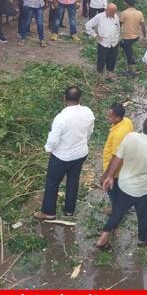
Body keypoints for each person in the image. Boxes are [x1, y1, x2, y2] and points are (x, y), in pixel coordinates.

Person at [97, 114, 147, 249]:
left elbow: (117, 157)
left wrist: (110, 176)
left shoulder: (130, 137)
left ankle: (103, 238)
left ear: (143, 125)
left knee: (118, 212)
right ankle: (143, 239)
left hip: (124, 185)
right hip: (144, 190)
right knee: (144, 216)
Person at [34, 86, 95, 220]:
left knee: (52, 182)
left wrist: (48, 149)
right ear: (80, 99)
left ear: (64, 99)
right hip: (80, 154)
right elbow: (90, 131)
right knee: (73, 180)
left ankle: (49, 212)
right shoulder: (88, 112)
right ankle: (69, 210)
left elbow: (53, 140)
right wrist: (83, 142)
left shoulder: (61, 118)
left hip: (62, 156)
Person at [101, 102, 134, 209]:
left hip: (116, 170)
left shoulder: (119, 134)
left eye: (110, 116)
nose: (108, 118)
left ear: (117, 117)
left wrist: (107, 175)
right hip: (125, 166)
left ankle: (116, 210)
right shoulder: (127, 121)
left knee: (113, 190)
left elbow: (116, 157)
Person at [85, 3, 121, 78]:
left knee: (112, 58)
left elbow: (118, 28)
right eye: (112, 12)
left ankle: (110, 72)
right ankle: (100, 73)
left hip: (114, 42)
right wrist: (95, 35)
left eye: (114, 12)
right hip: (103, 42)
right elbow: (88, 25)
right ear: (107, 10)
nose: (113, 14)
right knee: (102, 58)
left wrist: (117, 37)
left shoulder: (116, 16)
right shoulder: (99, 17)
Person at [118, 0, 147, 75]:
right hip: (135, 37)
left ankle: (133, 71)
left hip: (127, 37)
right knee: (126, 49)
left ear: (127, 4)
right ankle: (130, 64)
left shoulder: (124, 13)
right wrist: (144, 36)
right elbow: (143, 26)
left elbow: (119, 25)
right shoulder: (139, 13)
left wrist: (116, 34)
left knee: (129, 54)